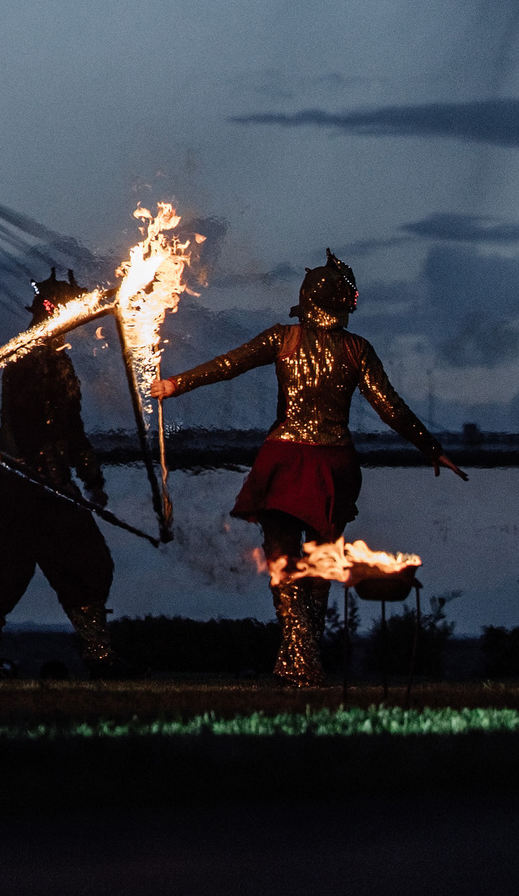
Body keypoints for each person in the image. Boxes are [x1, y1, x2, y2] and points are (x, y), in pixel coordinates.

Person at [151, 250, 466, 686]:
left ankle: (300, 661)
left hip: (285, 460)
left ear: (307, 298)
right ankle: (301, 661)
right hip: (333, 465)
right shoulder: (356, 349)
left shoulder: (285, 338)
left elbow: (229, 365)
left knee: (284, 563)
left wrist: (175, 384)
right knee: (320, 568)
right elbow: (389, 407)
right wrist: (431, 448)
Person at [0, 267, 121, 678]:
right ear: (54, 309)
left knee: (87, 565)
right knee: (1, 571)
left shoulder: (57, 358)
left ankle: (99, 656)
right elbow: (25, 422)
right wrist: (45, 471)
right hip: (24, 486)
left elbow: (71, 427)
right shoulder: (25, 357)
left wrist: (91, 479)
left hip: (50, 485)